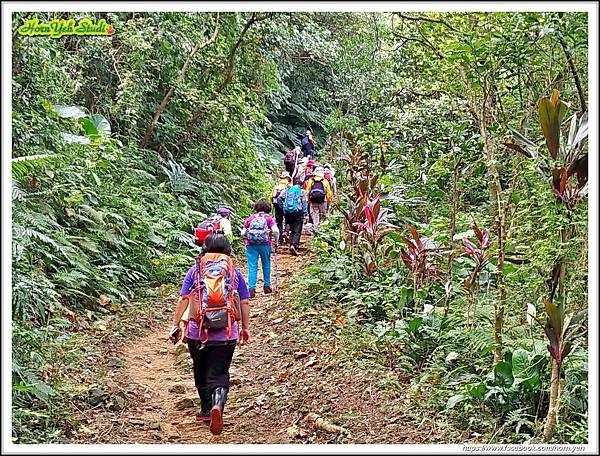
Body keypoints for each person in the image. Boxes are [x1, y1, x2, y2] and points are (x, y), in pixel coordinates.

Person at [169, 234, 250, 436]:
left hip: (198, 332)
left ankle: (206, 410)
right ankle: (217, 405)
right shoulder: (234, 272)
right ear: (227, 251)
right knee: (220, 372)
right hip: (227, 332)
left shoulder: (195, 271)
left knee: (201, 369)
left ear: (204, 249)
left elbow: (184, 299)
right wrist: (244, 328)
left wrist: (175, 325)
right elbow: (244, 302)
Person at [242, 200, 280, 297]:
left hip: (251, 244)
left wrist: (248, 238)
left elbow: (242, 233)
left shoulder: (250, 218)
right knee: (266, 264)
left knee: (252, 267)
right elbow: (276, 231)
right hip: (265, 244)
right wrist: (276, 241)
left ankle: (251, 289)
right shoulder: (269, 219)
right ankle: (267, 286)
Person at [279, 177, 308, 256]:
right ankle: (294, 245)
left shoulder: (288, 190)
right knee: (297, 230)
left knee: (292, 229)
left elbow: (280, 198)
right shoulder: (302, 191)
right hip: (298, 212)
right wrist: (305, 213)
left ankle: (290, 243)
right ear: (301, 185)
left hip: (288, 212)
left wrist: (283, 208)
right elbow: (304, 202)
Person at [305, 166, 332, 231]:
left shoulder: (310, 181)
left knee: (315, 215)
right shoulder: (325, 181)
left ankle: (316, 229)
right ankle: (322, 230)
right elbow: (329, 193)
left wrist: (308, 201)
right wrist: (328, 202)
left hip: (313, 201)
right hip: (323, 201)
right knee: (323, 216)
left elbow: (307, 192)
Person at [271, 171, 292, 239]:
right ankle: (286, 232)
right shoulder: (289, 186)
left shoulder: (277, 186)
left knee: (279, 221)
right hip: (286, 205)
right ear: (288, 178)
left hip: (277, 205)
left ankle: (279, 238)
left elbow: (271, 196)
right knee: (288, 220)